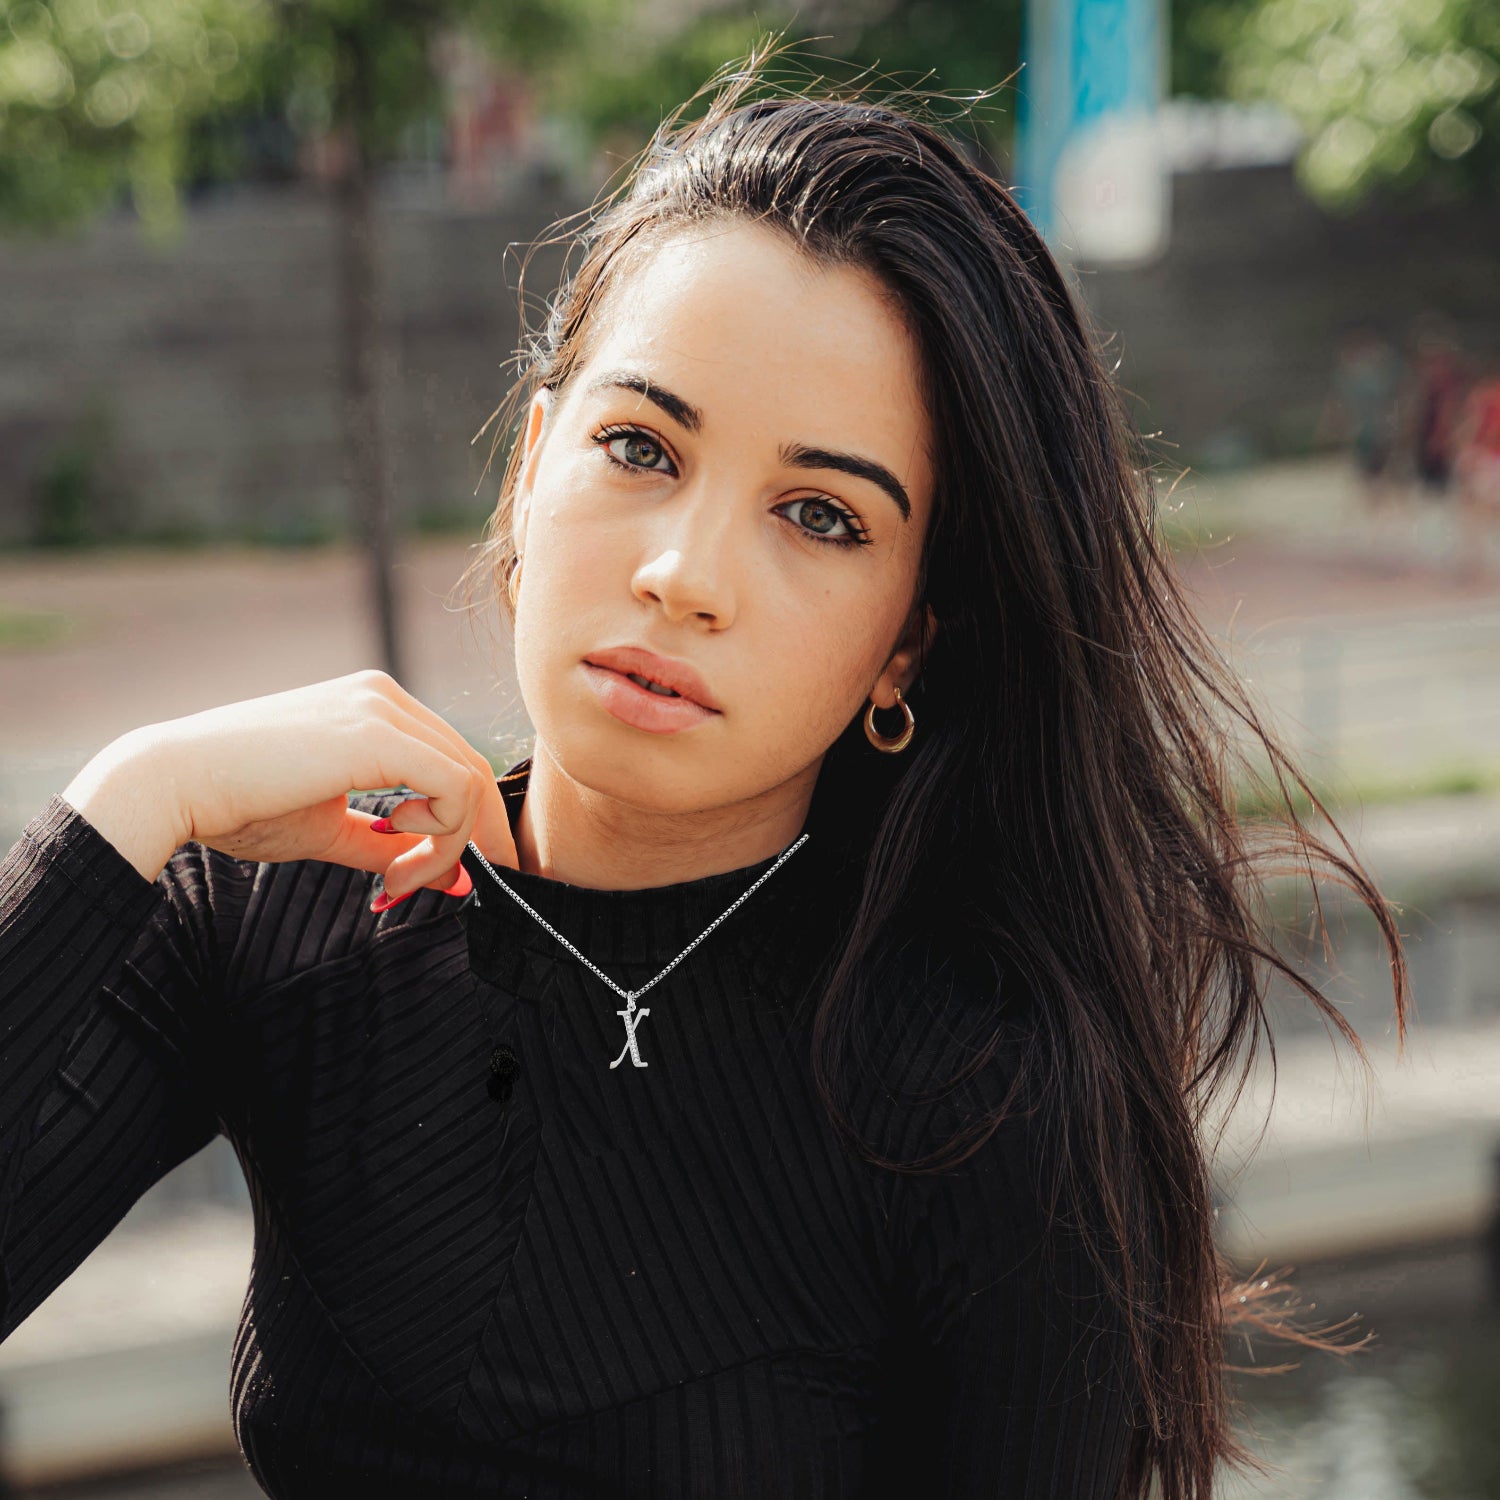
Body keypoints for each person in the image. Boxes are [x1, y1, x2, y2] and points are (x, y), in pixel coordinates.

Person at [0, 44, 1409, 1500]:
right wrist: (129, 805)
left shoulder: (981, 1092)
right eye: (638, 446)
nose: (684, 577)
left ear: (906, 646)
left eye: (818, 517)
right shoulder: (280, 914)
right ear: (526, 473)